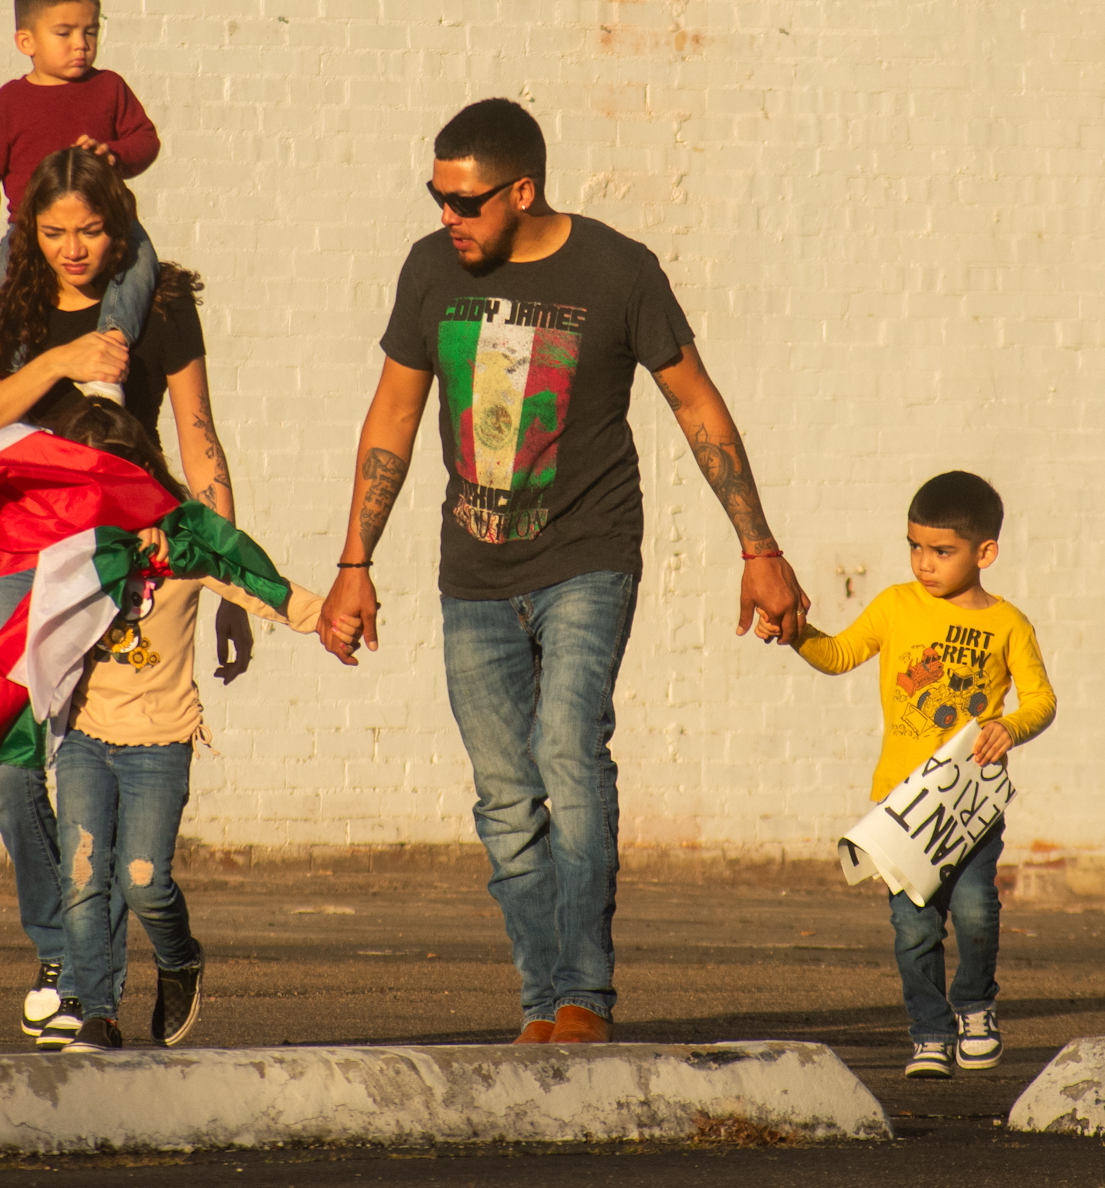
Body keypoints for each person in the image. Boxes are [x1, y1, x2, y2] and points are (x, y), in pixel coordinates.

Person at [316, 98, 811, 1045]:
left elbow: (696, 404)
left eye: (464, 201)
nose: (447, 217)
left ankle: (586, 992)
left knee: (570, 756)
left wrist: (759, 545)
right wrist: (354, 562)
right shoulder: (429, 269)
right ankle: (541, 1000)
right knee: (504, 794)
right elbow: (391, 417)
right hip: (473, 570)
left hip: (587, 554)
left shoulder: (617, 271)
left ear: (522, 190)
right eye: (437, 197)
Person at [0, 145, 244, 1046]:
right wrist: (59, 360)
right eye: (54, 231)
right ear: (29, 230)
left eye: (92, 230)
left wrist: (226, 578)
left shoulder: (161, 304)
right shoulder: (2, 298)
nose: (73, 248)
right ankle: (60, 945)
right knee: (2, 765)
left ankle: (86, 984)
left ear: (121, 229)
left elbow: (201, 443)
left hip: (120, 553)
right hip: (22, 544)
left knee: (84, 759)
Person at [32, 396, 322, 1052]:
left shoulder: (186, 542)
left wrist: (324, 617)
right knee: (82, 877)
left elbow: (254, 579)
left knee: (142, 880)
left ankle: (180, 957)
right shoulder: (69, 550)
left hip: (158, 743)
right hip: (84, 736)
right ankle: (98, 1013)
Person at [776, 471, 1056, 1079]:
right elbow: (841, 654)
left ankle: (975, 1008)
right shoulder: (895, 606)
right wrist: (799, 634)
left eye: (941, 551)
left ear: (985, 553)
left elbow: (1041, 700)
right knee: (913, 926)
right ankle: (929, 1034)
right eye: (914, 546)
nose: (923, 563)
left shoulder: (1010, 625)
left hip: (968, 801)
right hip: (902, 805)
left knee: (978, 909)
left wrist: (1010, 728)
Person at [0, 0, 161, 365]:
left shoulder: (110, 87)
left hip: (109, 223)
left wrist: (114, 154)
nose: (81, 45)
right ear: (26, 41)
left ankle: (109, 347)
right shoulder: (10, 102)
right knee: (4, 296)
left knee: (142, 264)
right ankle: (7, 372)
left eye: (90, 32)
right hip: (32, 229)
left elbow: (146, 139)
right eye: (65, 33)